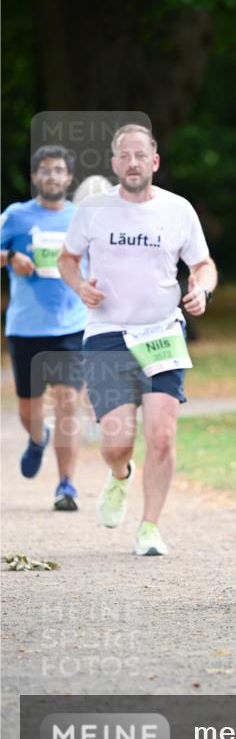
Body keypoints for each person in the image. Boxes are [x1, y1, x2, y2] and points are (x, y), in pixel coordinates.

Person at [58, 124, 217, 556]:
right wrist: (79, 287)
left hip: (163, 332)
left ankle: (150, 526)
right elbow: (67, 259)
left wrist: (201, 288)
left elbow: (203, 264)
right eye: (124, 156)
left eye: (140, 155)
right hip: (107, 335)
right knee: (116, 440)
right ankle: (120, 474)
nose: (132, 163)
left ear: (154, 161)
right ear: (114, 164)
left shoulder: (178, 209)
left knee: (162, 436)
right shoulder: (93, 210)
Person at [1, 145, 87, 510]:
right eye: (45, 171)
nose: (52, 176)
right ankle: (37, 439)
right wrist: (10, 257)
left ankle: (66, 485)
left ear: (69, 178)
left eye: (59, 171)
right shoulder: (17, 216)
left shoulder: (81, 217)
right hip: (26, 327)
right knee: (29, 411)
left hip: (71, 325)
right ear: (36, 176)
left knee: (68, 403)